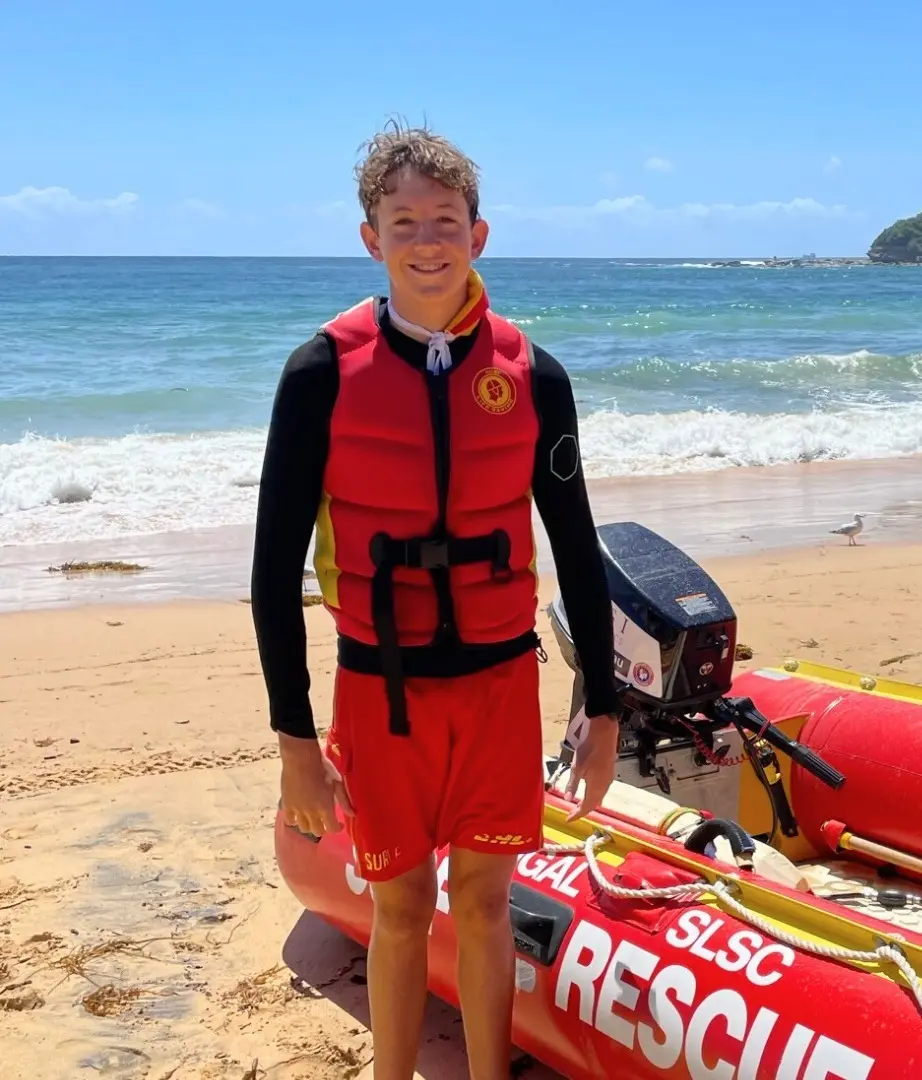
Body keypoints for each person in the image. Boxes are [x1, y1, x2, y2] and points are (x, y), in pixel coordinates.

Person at [250, 120, 622, 1080]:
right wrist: (296, 742)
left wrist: (605, 708)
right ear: (370, 237)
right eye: (403, 220)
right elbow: (269, 574)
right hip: (383, 691)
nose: (427, 240)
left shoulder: (532, 374)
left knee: (490, 902)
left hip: (500, 682)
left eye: (445, 220)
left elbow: (577, 551)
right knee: (402, 905)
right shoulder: (320, 374)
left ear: (479, 235)